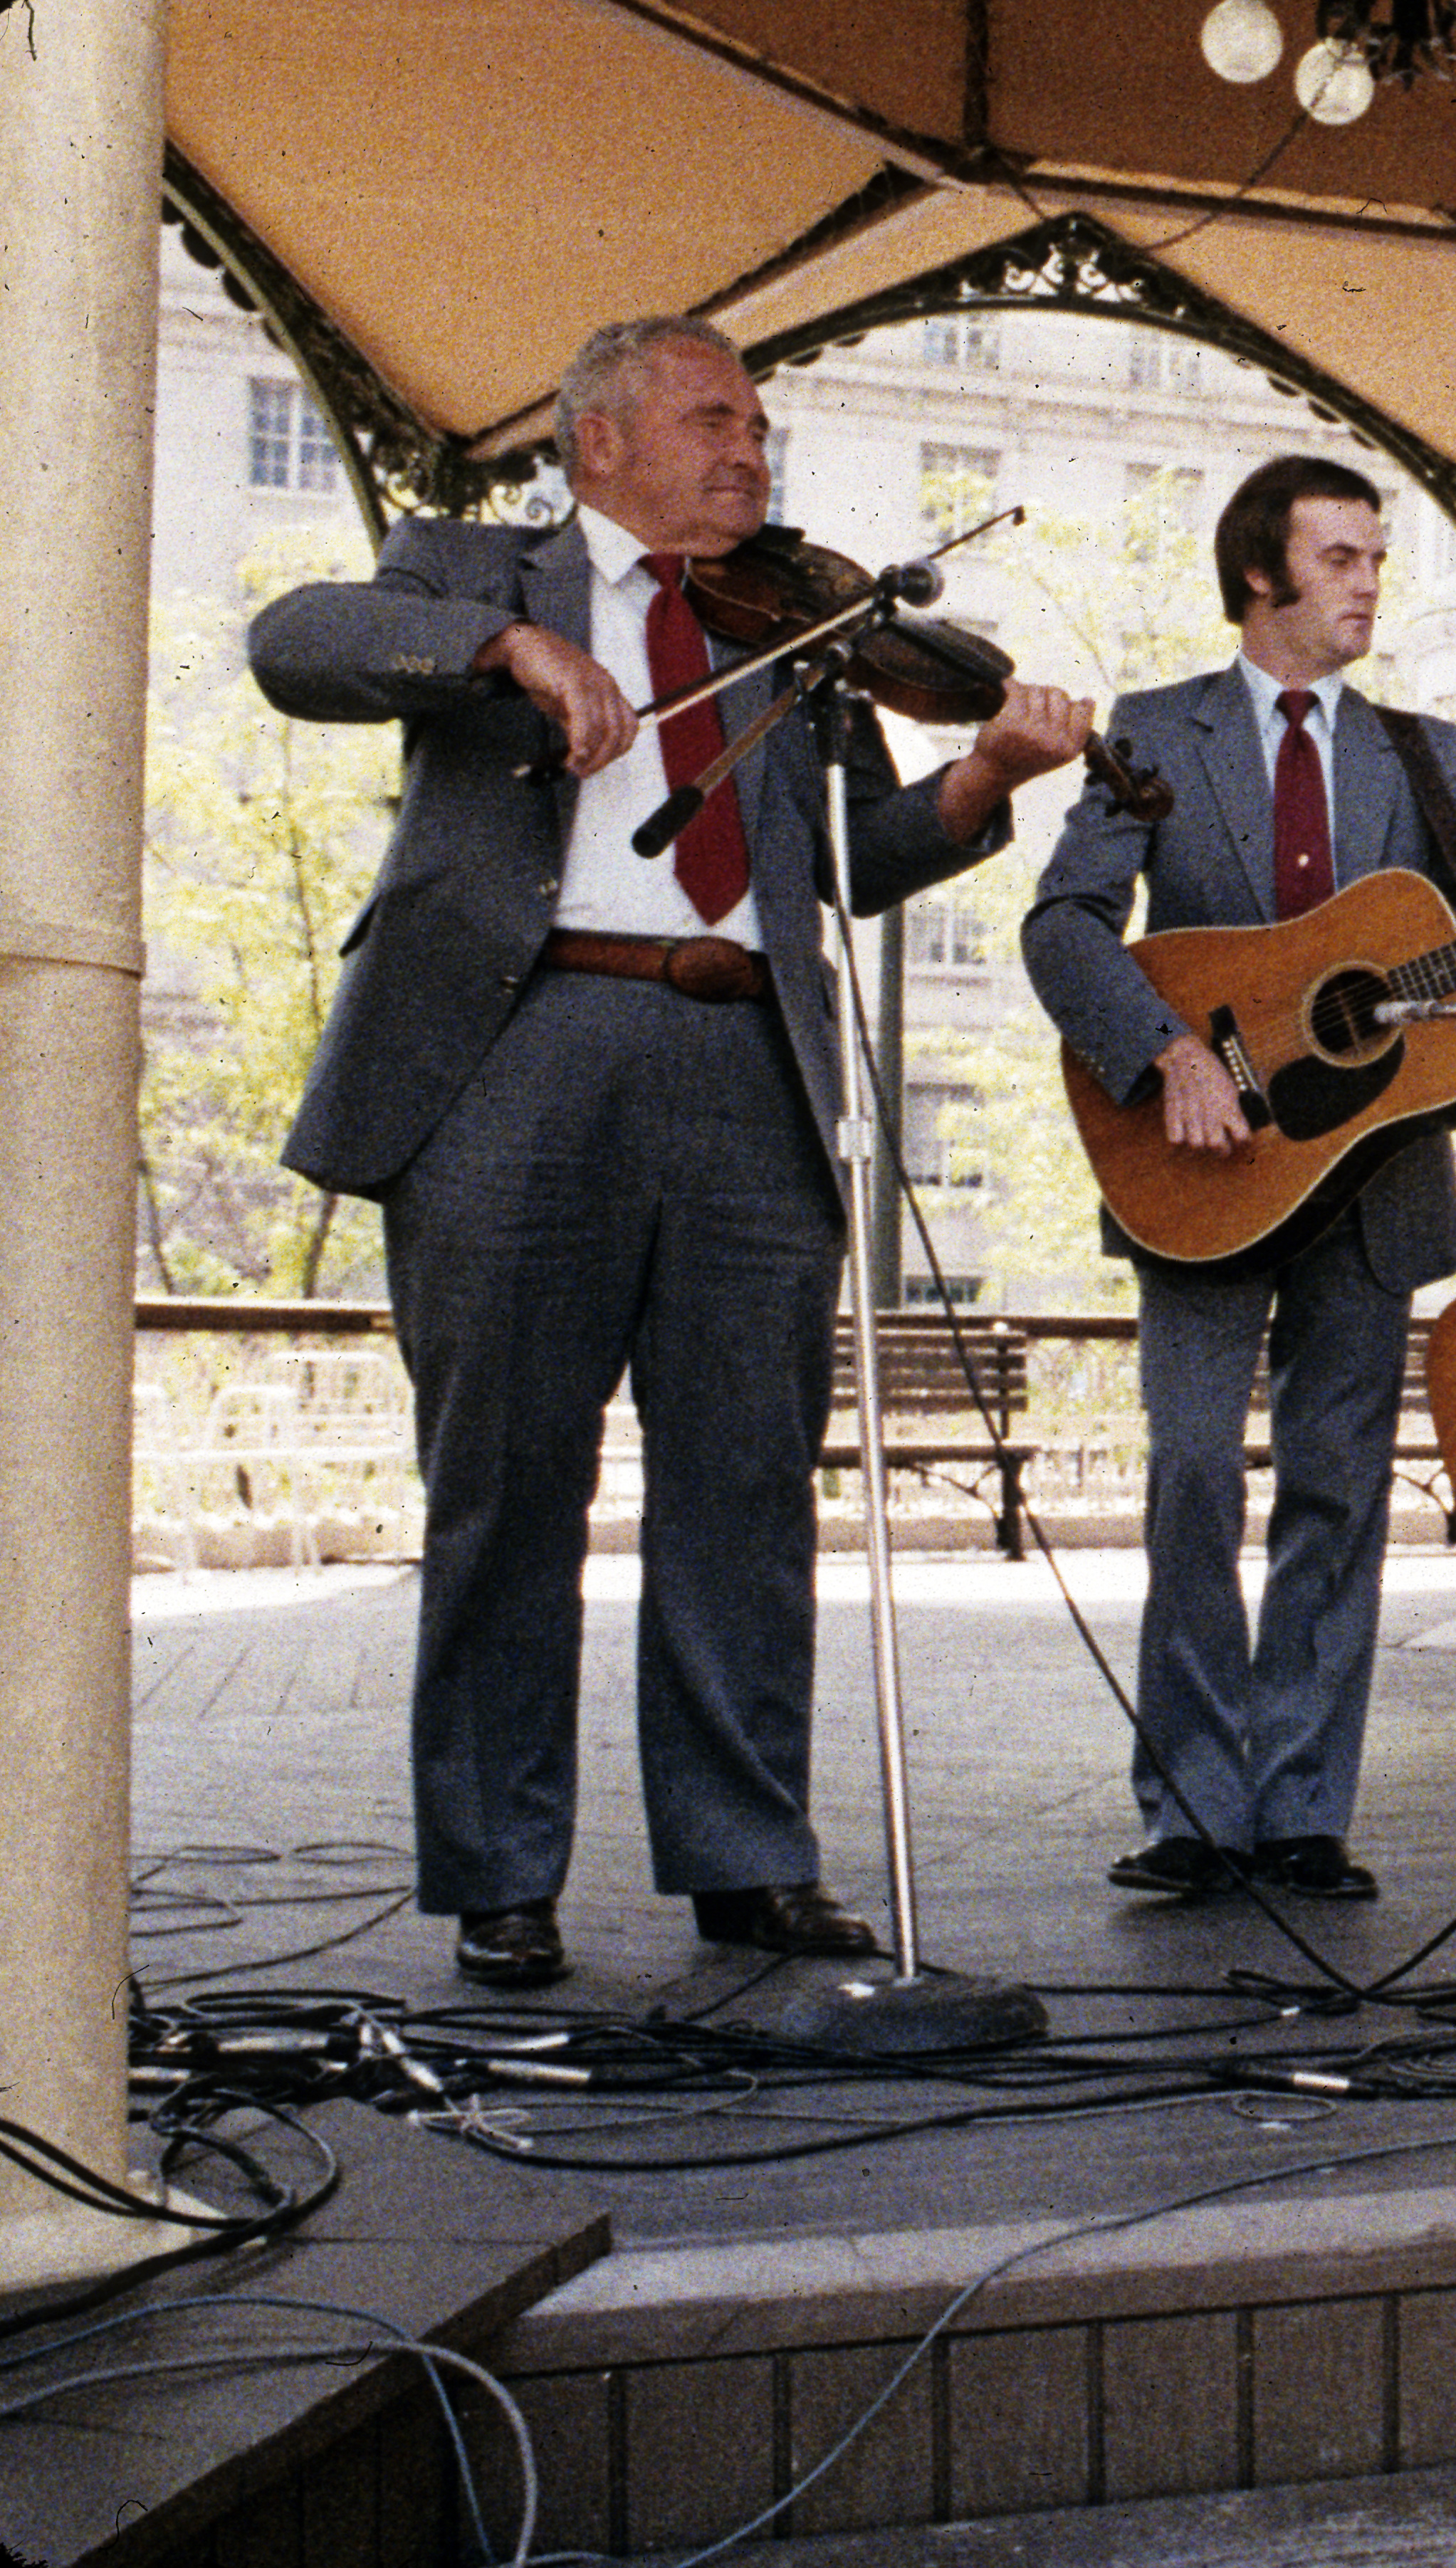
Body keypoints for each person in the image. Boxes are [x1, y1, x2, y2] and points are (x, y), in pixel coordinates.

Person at [248, 315, 1094, 1988]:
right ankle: (499, 1869)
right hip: (520, 1051)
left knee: (746, 1485)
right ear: (600, 441)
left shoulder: (798, 629)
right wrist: (509, 651)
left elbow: (846, 858)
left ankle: (746, 1857)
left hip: (744, 1059)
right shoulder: (478, 566)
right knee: (504, 1482)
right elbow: (297, 640)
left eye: (762, 430)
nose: (751, 456)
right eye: (714, 421)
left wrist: (986, 773)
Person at [1023, 455, 1456, 1904]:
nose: (1371, 582)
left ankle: (1303, 1804)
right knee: (1190, 1473)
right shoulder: (1153, 729)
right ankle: (1191, 1805)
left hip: (1368, 1184)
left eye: (1377, 558)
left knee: (1339, 1489)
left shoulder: (1422, 754)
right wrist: (1163, 1052)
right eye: (1343, 558)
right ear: (1263, 575)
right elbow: (1063, 926)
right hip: (1198, 1168)